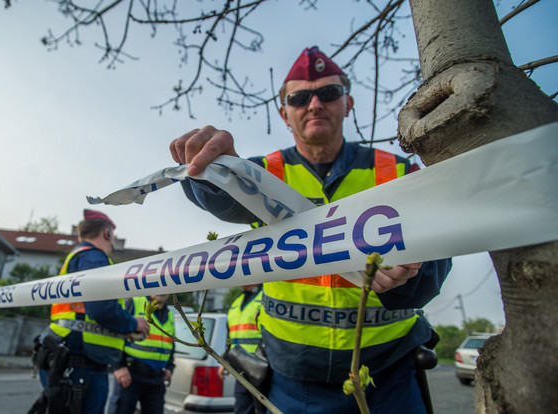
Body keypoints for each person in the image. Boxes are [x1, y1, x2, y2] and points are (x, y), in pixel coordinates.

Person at [168, 46, 452, 413]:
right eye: (300, 97)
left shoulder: (400, 173)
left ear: (348, 103)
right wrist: (214, 166)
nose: (315, 104)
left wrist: (411, 273)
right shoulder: (261, 175)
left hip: (388, 375)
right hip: (294, 380)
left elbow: (437, 259)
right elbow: (221, 198)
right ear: (284, 114)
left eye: (328, 93)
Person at [30, 209, 150, 414]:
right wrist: (132, 323)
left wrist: (120, 330)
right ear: (107, 233)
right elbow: (102, 309)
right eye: (112, 235)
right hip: (79, 361)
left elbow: (87, 314)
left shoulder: (78, 257)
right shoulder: (94, 257)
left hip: (67, 356)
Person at [109, 294, 175, 414]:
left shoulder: (169, 314)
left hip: (156, 379)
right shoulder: (134, 303)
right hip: (130, 375)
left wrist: (170, 367)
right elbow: (116, 334)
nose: (163, 291)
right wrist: (118, 366)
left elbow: (170, 343)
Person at [222, 284, 263, 414]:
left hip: (262, 369)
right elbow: (231, 335)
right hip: (241, 369)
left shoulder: (265, 296)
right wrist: (226, 359)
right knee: (242, 409)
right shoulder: (237, 301)